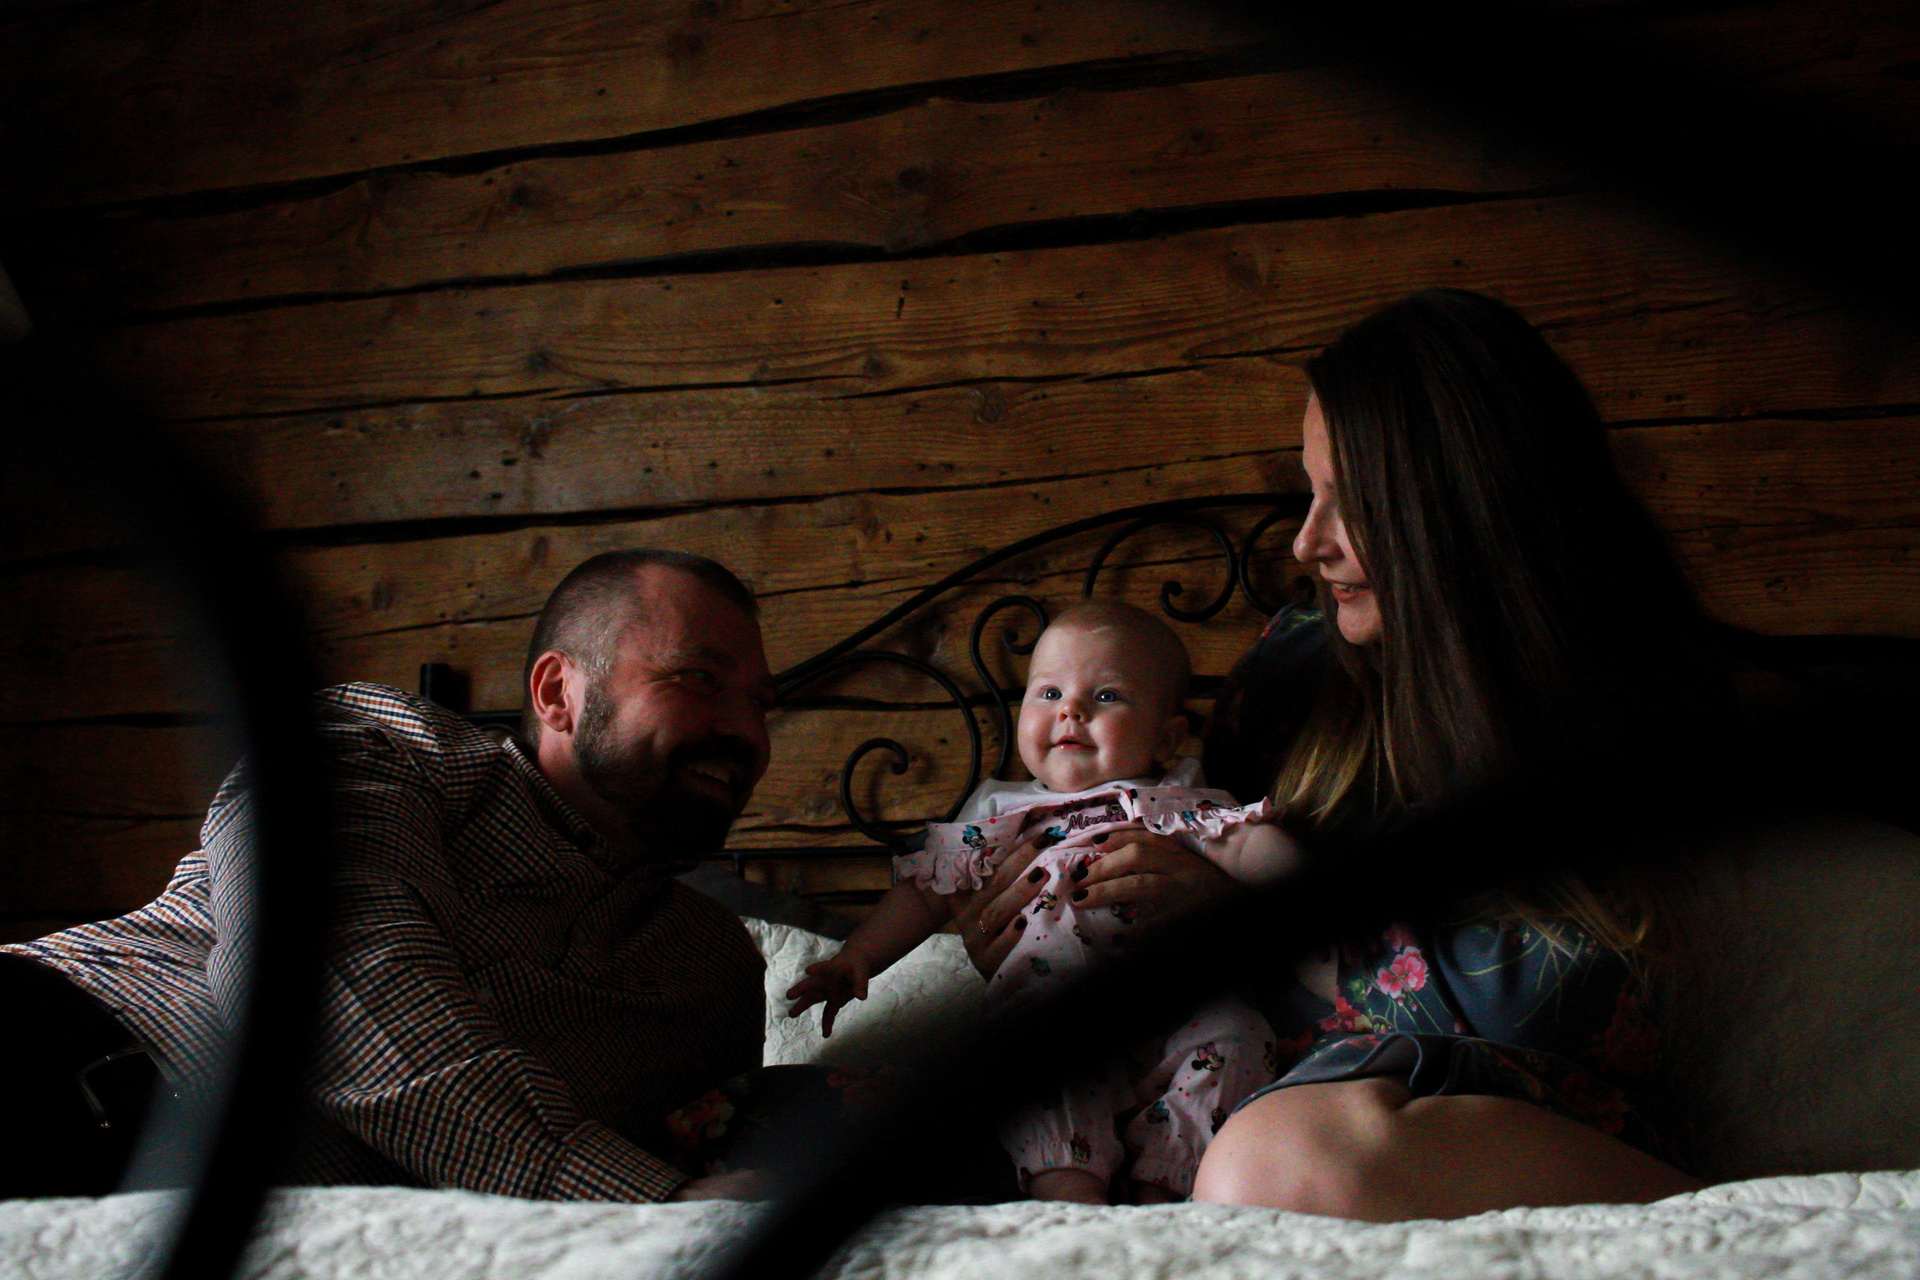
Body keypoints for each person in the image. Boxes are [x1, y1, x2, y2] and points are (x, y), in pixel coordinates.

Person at [949, 289, 1722, 1220]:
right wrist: (1037, 930)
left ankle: (1700, 1216)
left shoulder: (1610, 707)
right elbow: (1177, 859)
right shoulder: (1292, 669)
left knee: (1273, 1164)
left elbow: (1537, 1011)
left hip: (1483, 1121)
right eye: (1310, 494)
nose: (1308, 542)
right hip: (1227, 1098)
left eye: (1353, 503)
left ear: (1466, 507)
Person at [1, 549, 778, 1202]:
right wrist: (641, 1199)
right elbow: (329, 978)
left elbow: (718, 1151)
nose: (746, 732)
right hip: (58, 1046)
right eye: (698, 680)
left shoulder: (715, 978)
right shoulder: (382, 744)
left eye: (761, 705)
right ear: (556, 693)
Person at [785, 601, 1298, 1204]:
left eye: (1106, 696)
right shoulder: (999, 813)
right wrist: (859, 956)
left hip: (1176, 1003)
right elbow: (924, 890)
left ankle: (1164, 1186)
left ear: (1167, 736)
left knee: (1241, 1034)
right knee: (1027, 1058)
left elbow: (1246, 843)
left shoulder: (1172, 799)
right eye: (1049, 692)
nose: (1071, 711)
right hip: (1054, 1008)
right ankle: (1066, 1190)